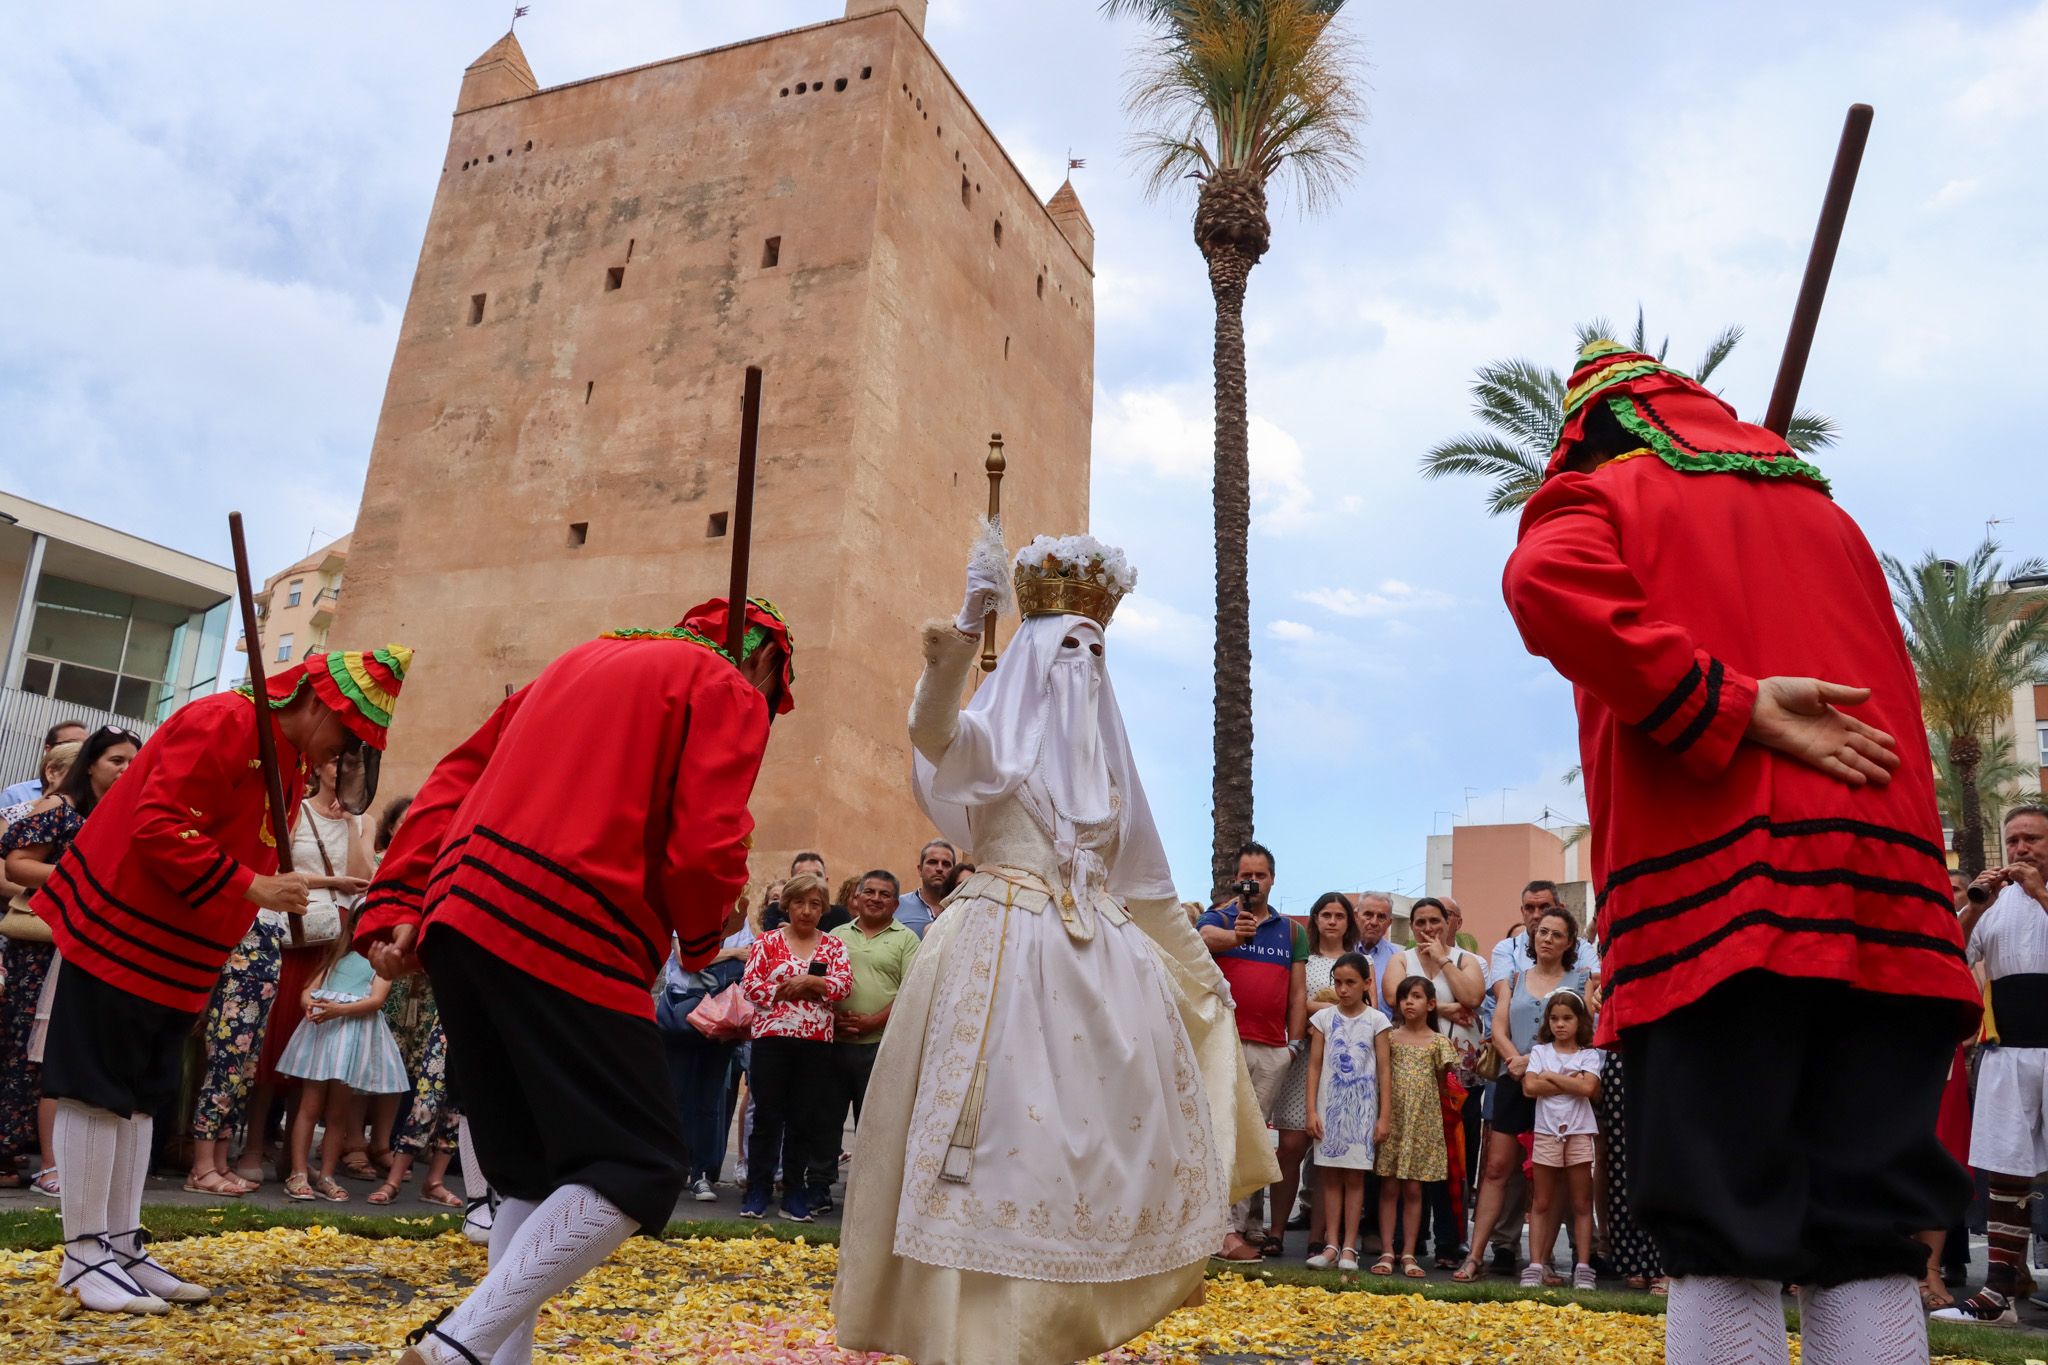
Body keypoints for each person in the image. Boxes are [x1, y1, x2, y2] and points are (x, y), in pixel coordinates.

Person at [1503, 338, 1979, 1365]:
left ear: (1588, 436)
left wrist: (1726, 701)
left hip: (1721, 901)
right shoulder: (1830, 520)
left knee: (1719, 1227)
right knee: (1867, 1233)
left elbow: (1543, 582)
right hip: (1888, 905)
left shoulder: (1605, 492)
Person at [833, 530, 1273, 1365]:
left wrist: (1203, 976)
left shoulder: (1111, 779)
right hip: (995, 964)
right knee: (997, 1152)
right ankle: (972, 1338)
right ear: (1034, 653)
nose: (1084, 663)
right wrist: (967, 623)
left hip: (1100, 977)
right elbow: (931, 729)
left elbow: (1150, 892)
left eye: (1096, 650)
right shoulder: (991, 745)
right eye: (1069, 646)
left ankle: (1052, 1332)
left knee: (1081, 1163)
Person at [357, 598, 791, 1365]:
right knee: (640, 1162)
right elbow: (707, 840)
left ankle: (493, 1358)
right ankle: (457, 1347)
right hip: (571, 919)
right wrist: (704, 933)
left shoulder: (573, 661)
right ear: (762, 660)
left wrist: (397, 900)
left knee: (531, 1171)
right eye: (772, 691)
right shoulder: (725, 685)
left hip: (462, 911)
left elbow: (452, 779)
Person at [33, 647, 401, 1314]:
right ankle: (83, 1253)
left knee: (142, 1095)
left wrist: (268, 884)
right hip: (124, 929)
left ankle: (120, 1243)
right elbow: (157, 823)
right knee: (97, 1088)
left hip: (180, 947)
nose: (342, 756)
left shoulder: (286, 758)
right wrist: (254, 884)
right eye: (347, 737)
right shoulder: (224, 720)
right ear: (319, 704)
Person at [1, 728, 135, 1198]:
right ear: (91, 763)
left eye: (132, 762)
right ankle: (15, 1153)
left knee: (65, 1051)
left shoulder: (119, 816)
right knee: (27, 1049)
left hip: (90, 948)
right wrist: (81, 878)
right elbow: (17, 864)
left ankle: (44, 1157)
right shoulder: (58, 807)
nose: (125, 769)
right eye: (116, 760)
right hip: (42, 947)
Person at [1936, 806, 2048, 1324]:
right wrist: (1976, 906)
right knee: (2005, 1169)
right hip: (2006, 1053)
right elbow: (1950, 952)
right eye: (2014, 839)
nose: (2021, 849)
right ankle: (1999, 1294)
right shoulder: (1994, 903)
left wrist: (2040, 893)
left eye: (2033, 839)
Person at [244, 760, 373, 1187]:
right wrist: (330, 882)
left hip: (336, 938)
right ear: (319, 766)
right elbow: (276, 871)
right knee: (276, 1036)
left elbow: (362, 878)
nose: (345, 769)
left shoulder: (364, 820)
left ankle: (293, 1158)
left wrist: (351, 821)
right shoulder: (295, 808)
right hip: (295, 928)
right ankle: (253, 1145)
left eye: (353, 763)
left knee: (312, 1044)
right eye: (338, 760)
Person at [1456, 907, 1593, 1283]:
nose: (1547, 939)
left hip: (1556, 1087)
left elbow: (1584, 1034)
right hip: (1512, 1080)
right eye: (1542, 932)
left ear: (1569, 943)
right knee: (1496, 1168)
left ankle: (1542, 1261)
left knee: (1550, 1177)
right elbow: (1499, 1027)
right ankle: (1475, 1256)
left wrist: (1532, 1061)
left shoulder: (1581, 980)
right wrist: (1514, 1059)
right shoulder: (1515, 978)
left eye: (1556, 934)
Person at [1198, 840, 1307, 1262]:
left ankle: (1243, 1226)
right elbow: (1201, 938)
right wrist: (1235, 936)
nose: (1253, 882)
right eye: (1247, 876)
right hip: (1226, 1043)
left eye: (1260, 875)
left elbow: (1297, 994)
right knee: (1224, 1132)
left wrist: (1292, 1046)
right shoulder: (1220, 916)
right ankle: (1222, 1230)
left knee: (1254, 1137)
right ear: (1235, 879)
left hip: (1273, 1048)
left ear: (1272, 879)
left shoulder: (1292, 931)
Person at [738, 873, 852, 1221]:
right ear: (787, 905)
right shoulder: (767, 942)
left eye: (815, 904)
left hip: (815, 1044)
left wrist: (813, 981)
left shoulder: (833, 946)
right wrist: (788, 988)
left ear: (823, 909)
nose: (806, 910)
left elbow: (843, 986)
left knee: (804, 1119)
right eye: (799, 902)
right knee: (767, 1117)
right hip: (771, 1040)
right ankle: (758, 1189)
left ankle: (793, 1193)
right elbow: (750, 986)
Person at [276, 905, 406, 1202]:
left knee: (338, 1113)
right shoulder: (336, 956)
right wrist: (309, 1003)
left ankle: (327, 1175)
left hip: (352, 1039)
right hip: (324, 1037)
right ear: (353, 926)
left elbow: (375, 1000)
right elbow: (309, 989)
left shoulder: (382, 964)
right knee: (310, 1105)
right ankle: (298, 1171)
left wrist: (339, 1010)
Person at [1384, 896, 1484, 1267]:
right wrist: (1444, 1007)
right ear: (1412, 926)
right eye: (1421, 922)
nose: (1428, 929)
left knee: (1454, 1158)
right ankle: (1407, 1241)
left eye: (1435, 921)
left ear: (1448, 922)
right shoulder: (1401, 960)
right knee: (1409, 1158)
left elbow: (1473, 996)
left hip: (1458, 1077)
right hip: (1410, 1079)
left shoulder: (1465, 960)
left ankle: (1449, 1241)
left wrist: (1442, 959)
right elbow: (1394, 998)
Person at [823, 870, 919, 1189]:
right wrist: (833, 1018)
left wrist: (873, 1021)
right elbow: (819, 983)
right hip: (835, 1042)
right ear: (858, 897)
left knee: (873, 1125)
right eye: (870, 892)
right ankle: (819, 1188)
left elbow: (910, 992)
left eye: (885, 894)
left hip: (879, 1046)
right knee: (825, 1120)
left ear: (896, 904)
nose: (876, 899)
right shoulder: (836, 935)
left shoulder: (907, 940)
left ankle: (864, 1193)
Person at [1285, 892, 1363, 1258]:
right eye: (1326, 914)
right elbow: (1295, 1002)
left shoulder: (1360, 961)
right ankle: (1275, 1228)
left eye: (1339, 915)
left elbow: (1367, 1008)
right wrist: (1329, 1007)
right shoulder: (1305, 958)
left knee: (1326, 1152)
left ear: (1348, 922)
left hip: (1344, 1067)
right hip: (1305, 1059)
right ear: (1315, 919)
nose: (1332, 921)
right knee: (1291, 1145)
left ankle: (1321, 1236)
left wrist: (1318, 1008)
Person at [1303, 951, 1390, 1274]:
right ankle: (1330, 1245)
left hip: (1363, 1111)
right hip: (1329, 1107)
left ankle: (1349, 1246)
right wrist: (1311, 1110)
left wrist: (1384, 1116)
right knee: (1329, 1177)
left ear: (1366, 983)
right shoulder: (1323, 1019)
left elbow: (1384, 1071)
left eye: (1350, 982)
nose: (1343, 989)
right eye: (1338, 982)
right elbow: (1314, 1066)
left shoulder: (1377, 1021)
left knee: (1355, 1177)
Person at [1374, 976, 1457, 1279]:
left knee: (1413, 1187)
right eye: (1404, 996)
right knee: (1389, 1186)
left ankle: (1409, 1252)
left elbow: (1442, 1085)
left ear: (1431, 1004)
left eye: (1417, 996)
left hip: (1422, 1123)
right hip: (1393, 1119)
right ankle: (1387, 1250)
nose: (1409, 1002)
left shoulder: (1439, 1042)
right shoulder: (1389, 1038)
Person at [1521, 990, 1603, 1291]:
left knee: (1581, 1202)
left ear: (1579, 1020)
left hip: (1579, 1131)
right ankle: (1536, 1265)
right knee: (1541, 1200)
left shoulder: (1588, 1055)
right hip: (1546, 1131)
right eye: (1554, 1018)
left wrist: (1551, 1077)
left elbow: (1588, 1089)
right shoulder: (1540, 1051)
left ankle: (1583, 1266)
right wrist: (1571, 1080)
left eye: (1567, 1018)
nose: (1560, 1024)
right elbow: (1529, 1087)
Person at [0, 719, 87, 808]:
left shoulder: (88, 800)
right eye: (72, 743)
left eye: (86, 745)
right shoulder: (15, 795)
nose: (80, 750)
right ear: (49, 749)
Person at [763, 853, 850, 933]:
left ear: (826, 881)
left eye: (818, 875)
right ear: (791, 882)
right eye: (803, 875)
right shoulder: (777, 911)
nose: (811, 881)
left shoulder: (840, 915)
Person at [891, 838, 956, 939]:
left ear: (954, 872)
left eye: (946, 864)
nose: (939, 868)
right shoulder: (896, 906)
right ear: (920, 869)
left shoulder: (962, 907)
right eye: (933, 862)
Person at [1351, 892, 1400, 1013]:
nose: (1374, 922)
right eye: (1368, 915)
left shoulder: (1398, 958)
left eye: (1381, 917)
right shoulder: (1342, 951)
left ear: (1389, 922)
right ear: (1356, 916)